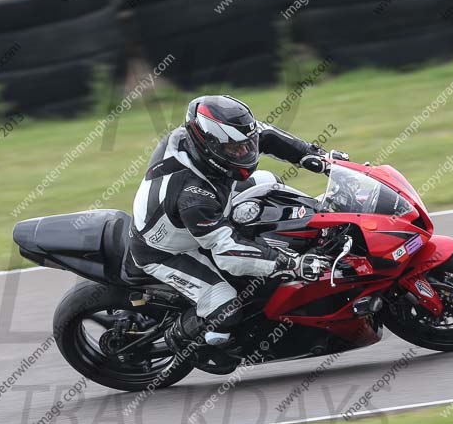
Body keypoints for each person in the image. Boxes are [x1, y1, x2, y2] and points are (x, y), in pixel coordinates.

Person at [129, 95, 347, 350]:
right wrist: (292, 264)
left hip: (211, 204)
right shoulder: (192, 196)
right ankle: (190, 343)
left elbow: (265, 134)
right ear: (208, 146)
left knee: (269, 183)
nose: (245, 152)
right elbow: (226, 253)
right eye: (235, 149)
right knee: (226, 309)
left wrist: (318, 159)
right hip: (166, 251)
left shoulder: (204, 141)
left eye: (247, 145)